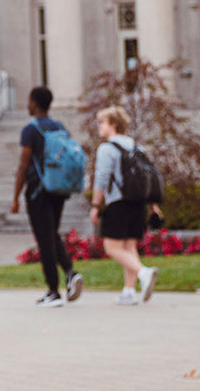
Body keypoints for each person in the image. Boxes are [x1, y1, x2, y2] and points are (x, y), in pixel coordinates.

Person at [10, 86, 84, 307]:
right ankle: (71, 273)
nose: (28, 104)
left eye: (30, 101)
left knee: (44, 240)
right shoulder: (59, 127)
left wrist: (15, 197)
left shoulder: (30, 130)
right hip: (58, 189)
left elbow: (23, 166)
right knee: (52, 234)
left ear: (34, 103)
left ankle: (53, 291)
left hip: (38, 191)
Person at [88, 107, 160, 306]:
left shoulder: (107, 148)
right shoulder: (137, 147)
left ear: (113, 124)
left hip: (117, 202)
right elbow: (149, 177)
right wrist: (153, 204)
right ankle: (128, 292)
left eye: (102, 122)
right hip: (138, 203)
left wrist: (95, 205)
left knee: (111, 247)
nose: (99, 126)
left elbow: (101, 178)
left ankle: (143, 273)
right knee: (129, 246)